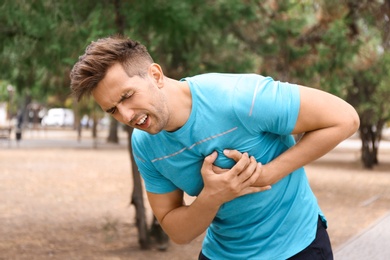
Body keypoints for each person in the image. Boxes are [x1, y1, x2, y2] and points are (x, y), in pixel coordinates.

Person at [70, 35, 359, 259]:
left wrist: (269, 174)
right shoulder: (145, 144)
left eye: (128, 96)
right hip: (221, 254)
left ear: (155, 75)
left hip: (298, 248)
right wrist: (212, 197)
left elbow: (344, 119)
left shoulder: (238, 97)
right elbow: (176, 230)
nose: (126, 116)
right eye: (112, 110)